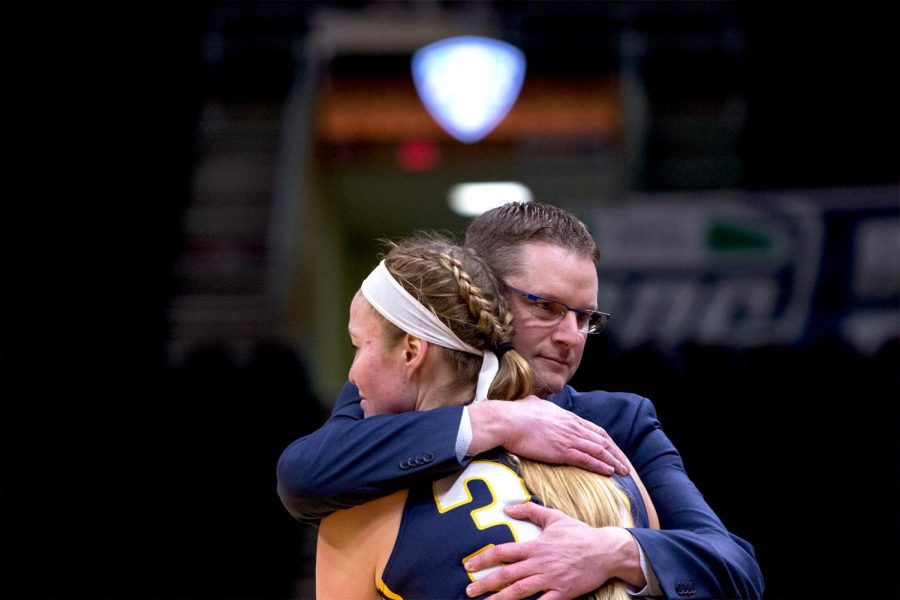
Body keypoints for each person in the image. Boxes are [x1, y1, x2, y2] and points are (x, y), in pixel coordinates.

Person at [277, 202, 764, 599]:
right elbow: (303, 474)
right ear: (482, 291)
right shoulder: (393, 395)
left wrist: (614, 551)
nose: (572, 337)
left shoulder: (620, 420)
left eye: (586, 318)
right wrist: (492, 423)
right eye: (548, 308)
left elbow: (736, 569)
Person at [315, 232, 659, 599]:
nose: (352, 376)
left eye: (357, 346)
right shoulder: (613, 469)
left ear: (413, 351)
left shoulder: (362, 500)